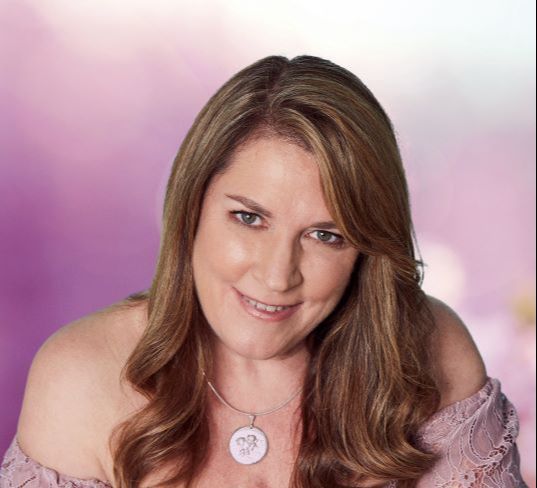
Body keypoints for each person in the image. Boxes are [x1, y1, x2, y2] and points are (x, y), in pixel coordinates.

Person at [0, 55, 526, 488]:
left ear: (365, 249)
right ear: (192, 208)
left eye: (326, 235)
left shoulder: (429, 351)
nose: (278, 276)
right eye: (249, 218)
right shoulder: (82, 377)